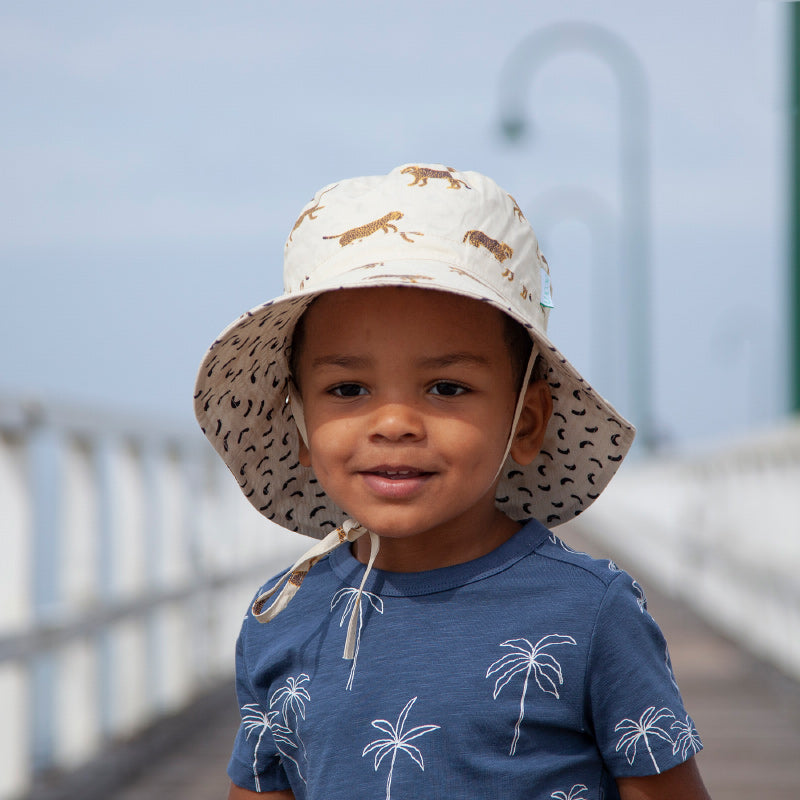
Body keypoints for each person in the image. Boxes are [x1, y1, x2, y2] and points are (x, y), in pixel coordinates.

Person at [194, 164, 711, 799]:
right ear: (299, 425)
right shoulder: (283, 616)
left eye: (447, 387)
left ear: (525, 421)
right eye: (347, 389)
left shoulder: (592, 614)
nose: (394, 423)